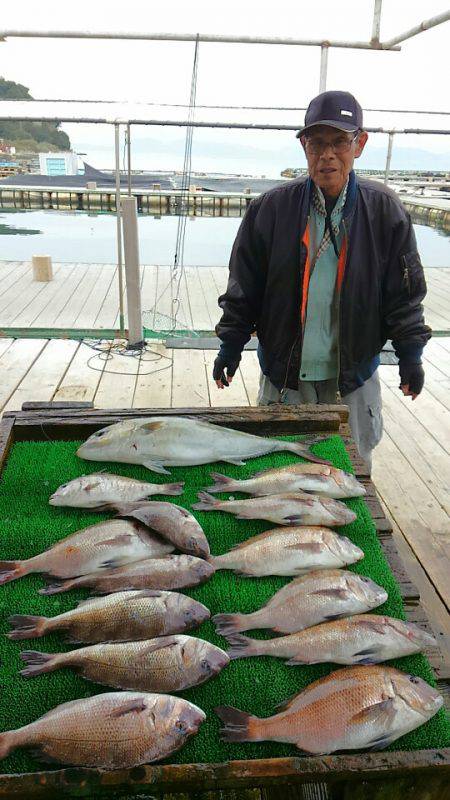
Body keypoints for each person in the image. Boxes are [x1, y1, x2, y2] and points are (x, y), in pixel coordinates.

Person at [212, 90, 431, 471]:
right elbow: (243, 287)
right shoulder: (270, 209)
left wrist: (410, 355)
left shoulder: (385, 211)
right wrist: (231, 346)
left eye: (339, 142)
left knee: (351, 474)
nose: (327, 154)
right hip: (284, 376)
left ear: (359, 144)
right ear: (304, 147)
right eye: (317, 143)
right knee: (278, 471)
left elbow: (404, 294)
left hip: (353, 377)